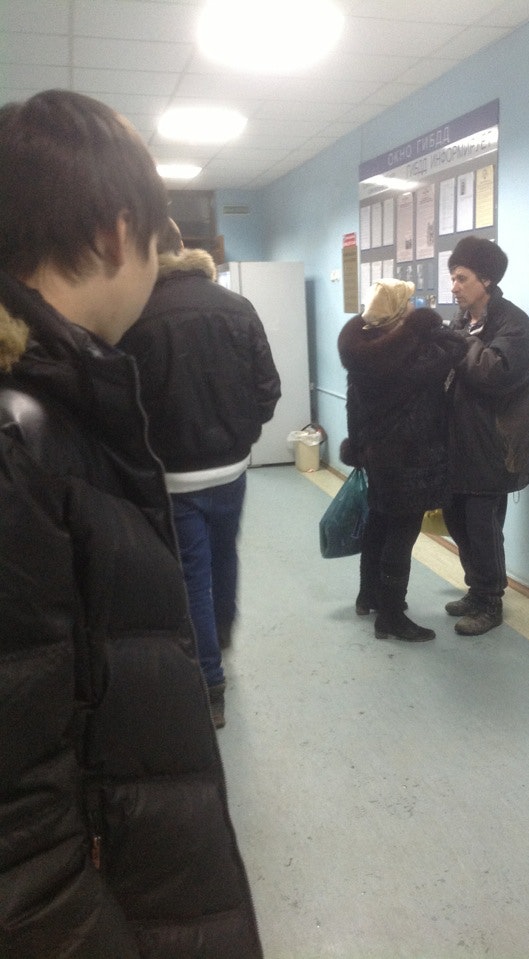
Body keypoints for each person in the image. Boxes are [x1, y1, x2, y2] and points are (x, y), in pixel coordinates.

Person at [0, 90, 262, 958]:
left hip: (118, 851)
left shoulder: (63, 396)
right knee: (209, 569)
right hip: (93, 910)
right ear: (121, 235)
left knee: (195, 574)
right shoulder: (25, 441)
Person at [120, 220, 280, 728]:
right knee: (224, 551)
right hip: (231, 467)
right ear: (185, 250)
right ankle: (223, 632)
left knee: (192, 572)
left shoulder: (136, 315)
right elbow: (268, 388)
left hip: (173, 475)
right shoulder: (237, 306)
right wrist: (240, 433)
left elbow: (124, 404)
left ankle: (210, 681)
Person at [338, 278, 467, 642]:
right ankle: (391, 617)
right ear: (398, 313)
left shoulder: (362, 351)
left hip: (378, 457)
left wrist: (359, 447)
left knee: (379, 523)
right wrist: (426, 324)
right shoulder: (415, 357)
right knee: (402, 533)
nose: (415, 305)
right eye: (409, 301)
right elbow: (455, 346)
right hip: (411, 459)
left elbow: (353, 405)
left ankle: (369, 596)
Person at [443, 236, 529, 636]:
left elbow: (493, 372)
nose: (453, 286)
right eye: (452, 277)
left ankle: (490, 601)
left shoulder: (514, 325)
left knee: (483, 527)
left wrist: (459, 341)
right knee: (457, 522)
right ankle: (476, 590)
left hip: (493, 447)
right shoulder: (463, 321)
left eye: (461, 278)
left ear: (486, 279)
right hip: (458, 444)